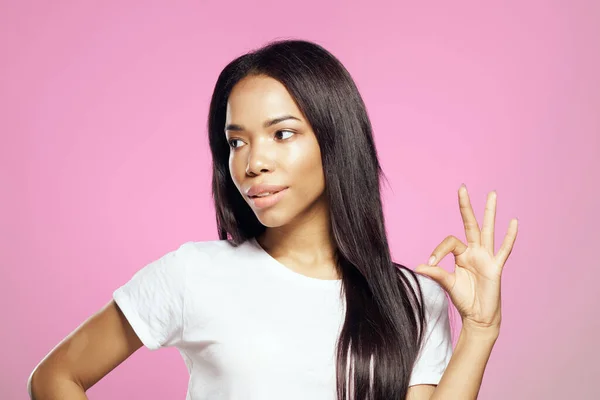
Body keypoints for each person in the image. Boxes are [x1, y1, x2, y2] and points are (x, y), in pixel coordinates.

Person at [27, 39, 518, 400]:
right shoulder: (193, 274)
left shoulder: (412, 298)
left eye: (282, 134)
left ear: (335, 140)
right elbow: (56, 376)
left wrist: (480, 328)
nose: (251, 162)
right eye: (237, 141)